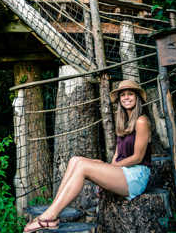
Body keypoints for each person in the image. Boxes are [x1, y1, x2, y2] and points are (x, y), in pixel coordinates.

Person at [23, 80, 151, 232]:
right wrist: (107, 174)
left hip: (136, 176)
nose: (126, 98)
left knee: (83, 167)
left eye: (130, 94)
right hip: (123, 172)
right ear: (119, 100)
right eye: (123, 95)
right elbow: (118, 154)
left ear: (137, 98)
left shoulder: (141, 121)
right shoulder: (123, 121)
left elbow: (137, 157)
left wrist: (108, 168)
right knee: (75, 160)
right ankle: (52, 210)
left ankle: (49, 217)